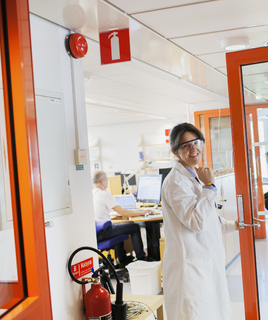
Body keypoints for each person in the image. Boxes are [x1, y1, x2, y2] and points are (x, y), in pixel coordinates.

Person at [161, 122, 238, 320]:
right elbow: (196, 222)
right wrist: (210, 186)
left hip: (204, 264)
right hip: (190, 269)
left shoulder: (193, 176)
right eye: (185, 146)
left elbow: (208, 219)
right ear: (175, 152)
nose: (193, 148)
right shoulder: (176, 182)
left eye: (196, 142)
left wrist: (234, 225)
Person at [92, 170, 154, 264]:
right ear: (102, 181)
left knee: (119, 227)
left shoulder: (92, 194)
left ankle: (123, 259)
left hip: (96, 233)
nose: (108, 182)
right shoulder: (104, 194)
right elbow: (122, 212)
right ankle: (141, 258)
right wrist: (142, 212)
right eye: (106, 179)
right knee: (134, 227)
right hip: (104, 232)